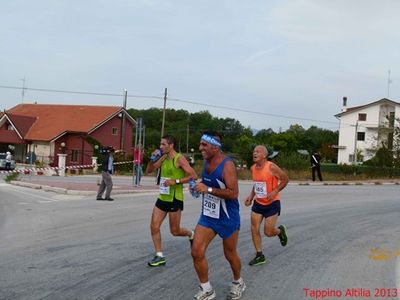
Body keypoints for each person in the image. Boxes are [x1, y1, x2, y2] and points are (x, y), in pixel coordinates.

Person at [191, 131, 246, 300]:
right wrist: (197, 186)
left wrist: (207, 189)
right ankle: (207, 289)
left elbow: (233, 193)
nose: (200, 148)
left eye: (204, 145)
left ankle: (238, 282)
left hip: (227, 217)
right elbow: (207, 183)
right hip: (208, 216)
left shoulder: (227, 165)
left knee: (230, 254)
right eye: (200, 144)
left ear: (215, 147)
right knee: (196, 251)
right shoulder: (206, 161)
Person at [146, 135, 198, 267]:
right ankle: (159, 255)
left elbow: (193, 176)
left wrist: (176, 181)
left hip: (175, 198)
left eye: (163, 144)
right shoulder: (163, 158)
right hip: (163, 197)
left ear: (171, 145)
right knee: (154, 226)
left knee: (175, 231)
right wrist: (152, 159)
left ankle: (191, 233)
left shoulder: (179, 159)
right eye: (160, 144)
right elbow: (149, 170)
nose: (161, 147)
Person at [244, 145, 289, 266]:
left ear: (264, 155)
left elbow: (285, 179)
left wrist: (275, 191)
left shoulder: (271, 167)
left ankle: (280, 231)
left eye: (257, 152)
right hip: (258, 203)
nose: (254, 153)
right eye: (253, 151)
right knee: (254, 228)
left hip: (272, 203)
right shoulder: (253, 168)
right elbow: (257, 184)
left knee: (268, 232)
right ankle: (259, 255)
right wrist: (251, 196)